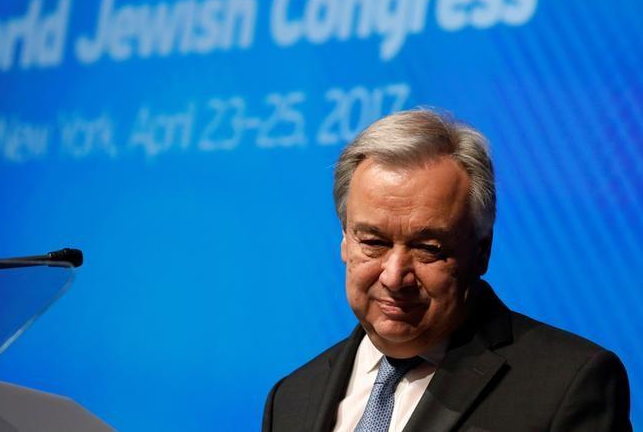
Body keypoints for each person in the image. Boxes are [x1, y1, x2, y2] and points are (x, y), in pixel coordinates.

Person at [262, 109, 631, 432]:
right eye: (374, 242)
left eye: (428, 249)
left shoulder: (567, 384)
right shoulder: (291, 398)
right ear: (345, 241)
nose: (394, 277)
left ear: (481, 252)